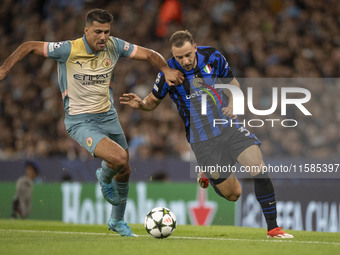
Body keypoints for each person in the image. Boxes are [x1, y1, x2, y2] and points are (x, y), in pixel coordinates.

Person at [0, 9, 184, 237]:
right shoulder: (68, 49)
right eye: (97, 31)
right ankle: (103, 176)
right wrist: (4, 68)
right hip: (80, 121)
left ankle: (117, 221)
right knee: (118, 159)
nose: (103, 37)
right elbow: (28, 45)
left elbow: (149, 54)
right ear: (86, 30)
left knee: (125, 169)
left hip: (108, 116)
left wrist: (165, 69)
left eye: (107, 32)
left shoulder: (115, 46)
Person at [120, 30, 294, 238]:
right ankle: (208, 175)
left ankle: (273, 228)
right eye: (179, 57)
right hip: (202, 141)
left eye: (187, 55)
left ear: (195, 47)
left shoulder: (212, 56)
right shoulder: (167, 74)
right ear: (173, 55)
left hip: (227, 126)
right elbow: (152, 102)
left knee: (258, 166)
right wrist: (140, 104)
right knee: (234, 194)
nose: (184, 61)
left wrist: (234, 105)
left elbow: (233, 84)